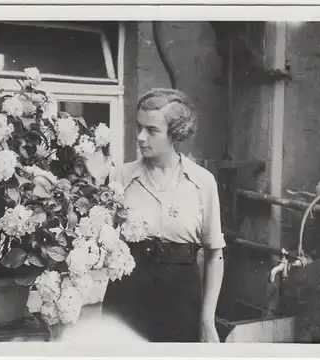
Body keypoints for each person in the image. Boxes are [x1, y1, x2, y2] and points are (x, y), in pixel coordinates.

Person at [88, 88, 225, 342]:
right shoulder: (119, 177)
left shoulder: (202, 182)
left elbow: (215, 254)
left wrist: (207, 320)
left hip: (181, 302)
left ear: (175, 133)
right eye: (138, 127)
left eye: (152, 131)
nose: (140, 137)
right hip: (127, 298)